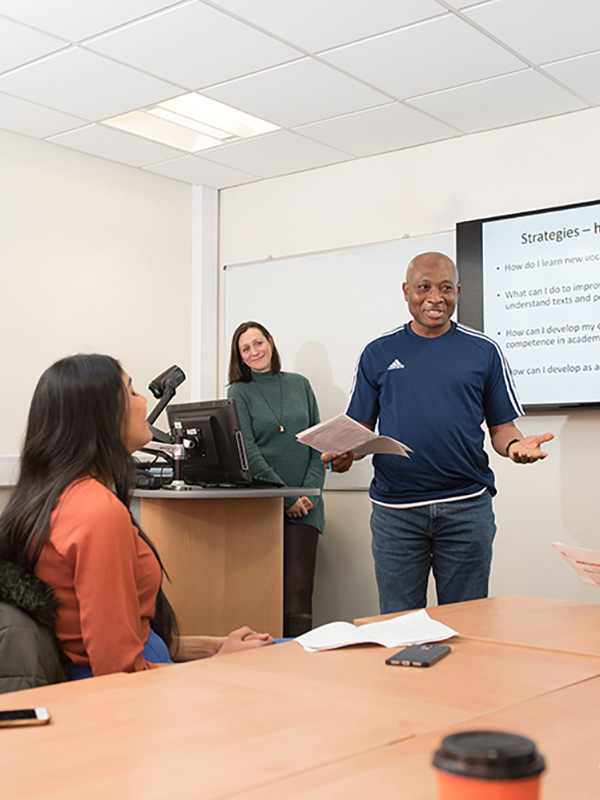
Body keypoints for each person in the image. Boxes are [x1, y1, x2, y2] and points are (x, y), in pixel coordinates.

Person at [0, 354, 273, 680]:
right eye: (131, 392)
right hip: (133, 692)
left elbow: (121, 636)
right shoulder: (97, 512)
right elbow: (118, 671)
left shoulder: (55, 496)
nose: (143, 400)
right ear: (100, 417)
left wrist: (212, 648)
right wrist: (221, 665)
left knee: (282, 649)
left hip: (145, 668)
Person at [322, 252, 554, 614]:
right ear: (406, 291)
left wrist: (514, 447)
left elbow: (501, 428)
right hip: (396, 512)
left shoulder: (484, 351)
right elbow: (360, 431)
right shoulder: (378, 353)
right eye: (423, 288)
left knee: (467, 626)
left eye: (445, 288)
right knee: (399, 625)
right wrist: (344, 454)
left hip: (466, 508)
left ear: (458, 291)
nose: (435, 297)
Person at [228, 322, 325, 638]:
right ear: (240, 357)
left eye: (259, 343)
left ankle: (295, 660)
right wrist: (286, 498)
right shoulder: (238, 391)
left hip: (308, 505)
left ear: (270, 342)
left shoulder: (300, 384)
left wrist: (309, 492)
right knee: (262, 592)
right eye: (246, 348)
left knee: (299, 593)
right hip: (263, 504)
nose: (255, 351)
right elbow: (249, 452)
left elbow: (317, 442)